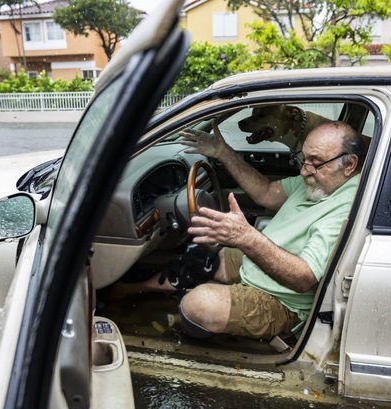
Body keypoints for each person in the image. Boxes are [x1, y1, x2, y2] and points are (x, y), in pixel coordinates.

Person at [117, 119, 366, 340]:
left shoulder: (348, 204)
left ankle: (176, 322)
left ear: (349, 165)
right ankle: (136, 288)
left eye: (315, 163)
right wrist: (223, 152)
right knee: (200, 258)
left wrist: (246, 237)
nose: (303, 171)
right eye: (304, 159)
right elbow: (267, 193)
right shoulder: (319, 181)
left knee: (197, 304)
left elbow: (303, 278)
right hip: (262, 265)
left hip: (283, 301)